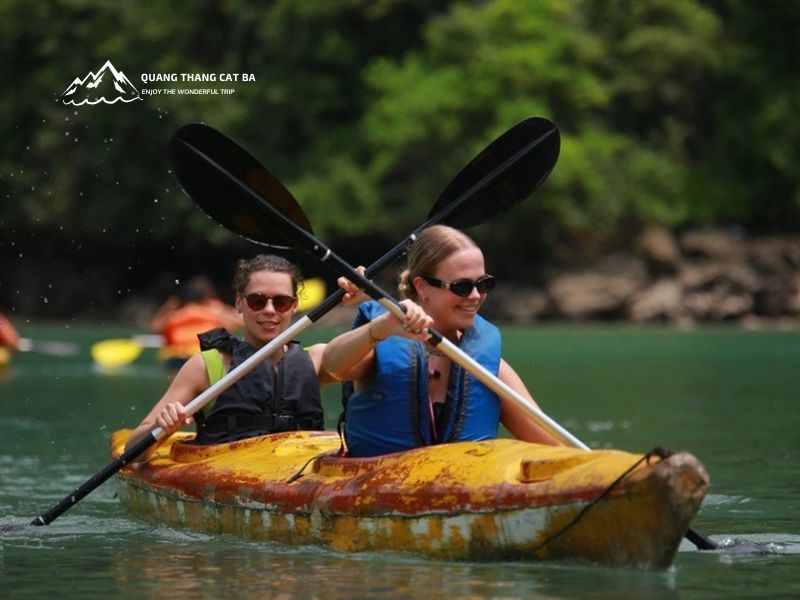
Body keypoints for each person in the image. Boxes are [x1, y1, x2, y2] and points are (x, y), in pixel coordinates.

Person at [322, 225, 561, 458]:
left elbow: (555, 447)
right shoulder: (381, 342)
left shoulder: (489, 370)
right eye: (462, 286)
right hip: (375, 487)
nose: (476, 296)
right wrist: (378, 329)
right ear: (422, 287)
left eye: (483, 283)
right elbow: (334, 364)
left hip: (460, 488)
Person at [126, 254, 336, 460]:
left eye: (281, 302)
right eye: (257, 301)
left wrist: (363, 298)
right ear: (239, 303)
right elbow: (131, 453)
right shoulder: (205, 366)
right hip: (225, 480)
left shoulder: (317, 360)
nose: (269, 310)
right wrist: (163, 427)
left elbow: (366, 351)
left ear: (294, 304)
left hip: (300, 473)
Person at [149, 274, 244, 368]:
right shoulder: (214, 311)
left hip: (180, 357)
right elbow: (240, 321)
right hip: (202, 357)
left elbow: (155, 328)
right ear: (208, 296)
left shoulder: (177, 314)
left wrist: (168, 308)